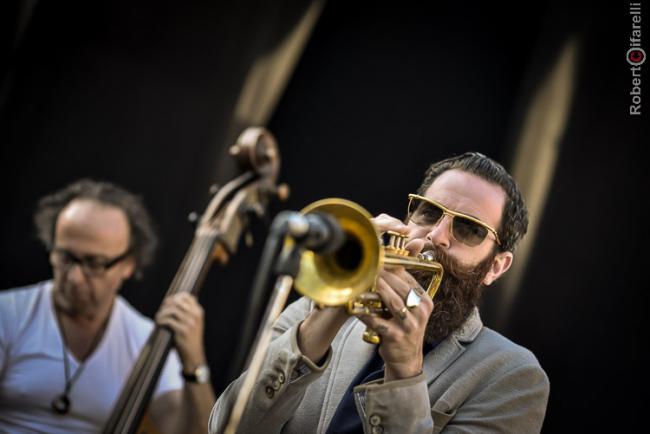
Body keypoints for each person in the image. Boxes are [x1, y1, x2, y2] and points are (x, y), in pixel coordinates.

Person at [209, 152, 550, 433]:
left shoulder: (512, 375)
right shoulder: (312, 309)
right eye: (429, 213)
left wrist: (405, 370)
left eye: (468, 229)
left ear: (496, 266)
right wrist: (326, 316)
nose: (437, 236)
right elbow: (226, 425)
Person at [0, 179, 216, 434]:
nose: (74, 277)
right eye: (66, 257)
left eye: (95, 263)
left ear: (129, 265)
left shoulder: (144, 339)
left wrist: (194, 362)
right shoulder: (8, 314)